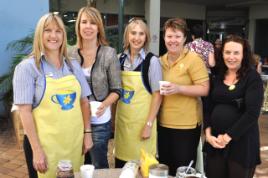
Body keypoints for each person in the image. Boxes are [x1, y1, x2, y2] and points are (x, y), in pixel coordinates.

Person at [13, 13, 93, 178]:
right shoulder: (27, 68)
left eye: (58, 31)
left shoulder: (73, 65)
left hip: (74, 143)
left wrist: (87, 134)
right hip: (45, 147)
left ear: (63, 35)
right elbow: (25, 112)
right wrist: (37, 150)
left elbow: (84, 102)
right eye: (47, 30)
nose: (53, 36)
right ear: (39, 34)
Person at [203, 35, 263, 178]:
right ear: (222, 53)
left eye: (236, 53)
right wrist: (208, 134)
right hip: (216, 142)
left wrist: (228, 137)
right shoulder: (217, 77)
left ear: (243, 55)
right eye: (227, 52)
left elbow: (252, 113)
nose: (231, 57)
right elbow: (208, 108)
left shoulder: (252, 78)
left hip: (242, 143)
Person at [68, 6, 121, 169]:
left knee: (98, 163)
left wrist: (105, 105)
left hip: (99, 118)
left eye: (93, 22)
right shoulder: (69, 54)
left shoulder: (109, 53)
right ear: (78, 26)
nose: (88, 26)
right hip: (75, 117)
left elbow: (117, 89)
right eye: (84, 22)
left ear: (99, 27)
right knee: (76, 162)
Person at [158, 18, 209, 176]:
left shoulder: (193, 60)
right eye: (169, 36)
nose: (173, 40)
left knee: (184, 169)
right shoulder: (160, 61)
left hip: (186, 125)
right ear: (164, 38)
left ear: (185, 38)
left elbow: (204, 89)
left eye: (177, 36)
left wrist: (178, 88)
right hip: (164, 123)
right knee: (166, 167)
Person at [114, 18, 162, 168]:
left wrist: (148, 125)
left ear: (146, 37)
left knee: (143, 169)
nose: (137, 37)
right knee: (122, 169)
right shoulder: (118, 59)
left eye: (141, 34)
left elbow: (158, 95)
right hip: (123, 126)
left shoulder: (152, 61)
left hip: (143, 126)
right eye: (133, 33)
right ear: (127, 35)